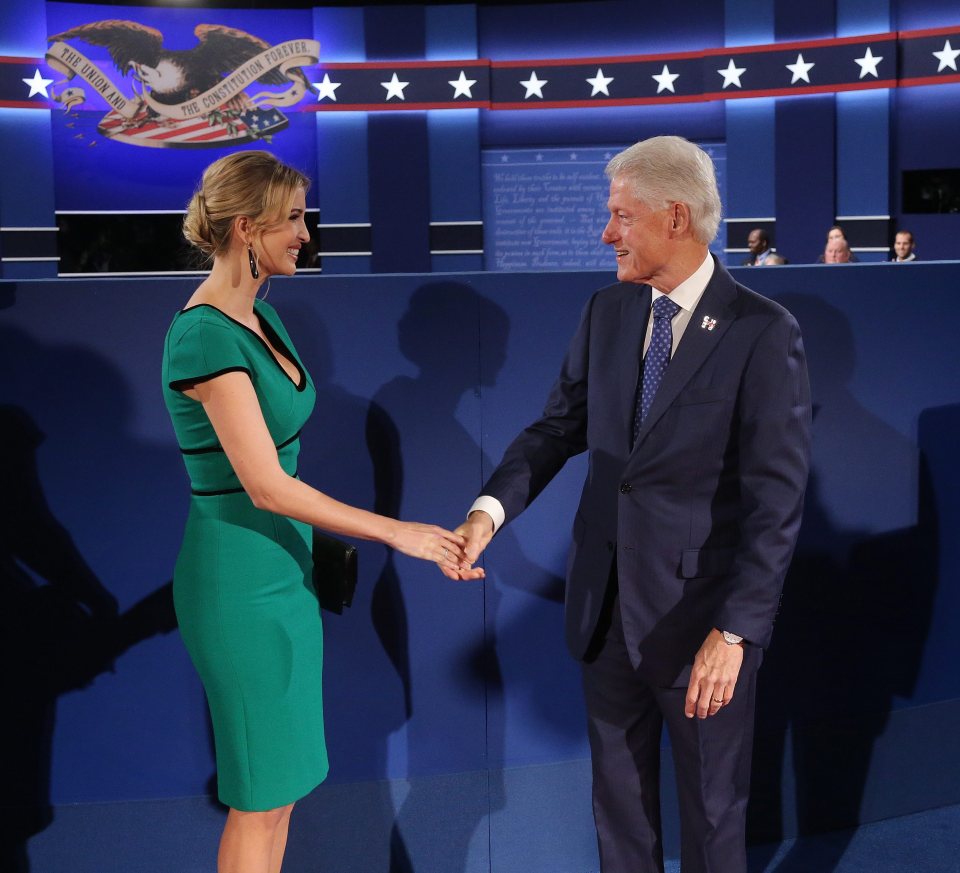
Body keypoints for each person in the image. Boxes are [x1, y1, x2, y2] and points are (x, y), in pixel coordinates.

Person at [447, 136, 811, 873]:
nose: (606, 232)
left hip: (701, 627)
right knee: (619, 815)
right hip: (606, 613)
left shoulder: (762, 333)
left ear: (675, 218)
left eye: (620, 215)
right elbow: (558, 428)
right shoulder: (607, 312)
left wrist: (736, 632)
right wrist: (489, 510)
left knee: (712, 820)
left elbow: (777, 502)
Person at [161, 151, 472, 873]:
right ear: (247, 227)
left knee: (284, 790)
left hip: (287, 573)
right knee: (258, 794)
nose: (306, 233)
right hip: (239, 585)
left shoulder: (262, 317)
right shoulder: (205, 334)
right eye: (294, 218)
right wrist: (400, 532)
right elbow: (265, 486)